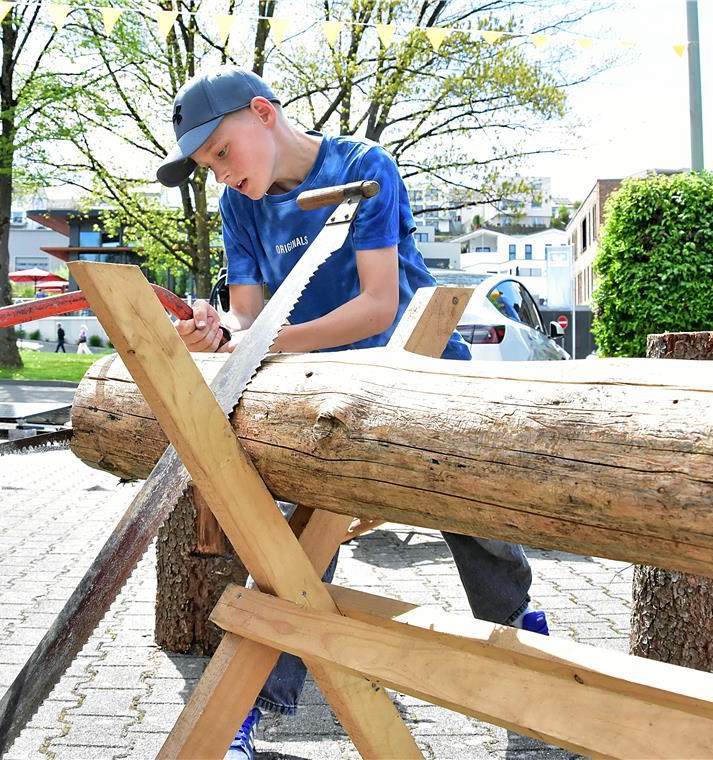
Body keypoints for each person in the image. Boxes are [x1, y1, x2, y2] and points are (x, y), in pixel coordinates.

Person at [156, 67, 548, 759]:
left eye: (221, 152)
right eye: (208, 166)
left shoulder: (363, 165)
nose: (221, 173)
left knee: (475, 527)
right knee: (292, 550)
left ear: (263, 113)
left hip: (419, 370)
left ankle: (532, 668)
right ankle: (253, 705)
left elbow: (376, 306)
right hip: (324, 390)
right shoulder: (240, 206)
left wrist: (261, 338)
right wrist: (218, 332)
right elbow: (248, 315)